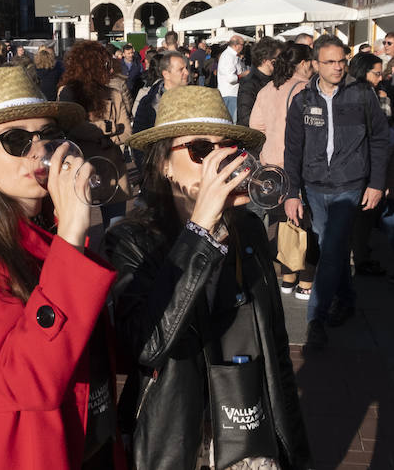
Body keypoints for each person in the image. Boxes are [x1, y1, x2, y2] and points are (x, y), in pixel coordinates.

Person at [0, 65, 125, 469]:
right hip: (17, 453)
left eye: (47, 135)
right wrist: (71, 234)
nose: (38, 151)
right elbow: (30, 380)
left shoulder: (50, 233)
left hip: (86, 440)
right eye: (16, 139)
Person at [108, 85, 311, 470]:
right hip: (175, 435)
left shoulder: (248, 229)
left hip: (247, 432)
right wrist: (201, 227)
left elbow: (276, 350)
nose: (218, 162)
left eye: (227, 150)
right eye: (201, 149)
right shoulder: (132, 240)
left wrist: (295, 451)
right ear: (165, 163)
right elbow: (146, 346)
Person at [283, 36, 390, 350]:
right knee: (335, 247)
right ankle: (346, 298)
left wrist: (376, 183)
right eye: (329, 62)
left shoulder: (362, 95)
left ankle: (315, 319)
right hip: (314, 186)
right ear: (315, 64)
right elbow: (292, 150)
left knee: (330, 248)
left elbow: (380, 140)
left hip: (349, 184)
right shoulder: (302, 100)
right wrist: (292, 192)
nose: (338, 67)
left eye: (341, 61)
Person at [250, 41, 315, 298]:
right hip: (298, 165)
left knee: (281, 222)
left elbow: (256, 128)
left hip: (271, 167)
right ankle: (306, 281)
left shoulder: (267, 88)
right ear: (302, 63)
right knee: (304, 224)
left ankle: (287, 277)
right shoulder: (306, 89)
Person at [58, 41, 132, 228]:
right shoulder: (68, 93)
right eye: (106, 65)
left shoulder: (114, 94)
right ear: (93, 67)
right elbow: (71, 127)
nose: (111, 71)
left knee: (115, 233)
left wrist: (97, 133)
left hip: (112, 170)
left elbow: (127, 132)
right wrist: (107, 129)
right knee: (79, 231)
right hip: (80, 169)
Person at [346, 52, 389, 277]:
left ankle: (357, 253)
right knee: (362, 216)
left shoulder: (355, 91)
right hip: (363, 166)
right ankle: (359, 256)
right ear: (364, 71)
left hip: (357, 166)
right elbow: (377, 135)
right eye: (377, 73)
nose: (380, 78)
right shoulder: (364, 94)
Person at [132, 50, 189, 136]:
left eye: (186, 68)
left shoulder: (195, 98)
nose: (187, 73)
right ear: (166, 74)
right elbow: (138, 136)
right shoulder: (148, 103)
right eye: (181, 69)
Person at [236, 36, 282, 127]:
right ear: (265, 60)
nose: (281, 63)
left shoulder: (276, 79)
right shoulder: (249, 83)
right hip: (256, 135)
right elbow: (245, 117)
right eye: (276, 60)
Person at [216, 35, 246, 121]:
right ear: (236, 45)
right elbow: (231, 78)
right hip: (230, 93)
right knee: (231, 121)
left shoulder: (230, 55)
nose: (243, 47)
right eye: (242, 45)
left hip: (229, 93)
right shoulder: (229, 56)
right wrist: (243, 75)